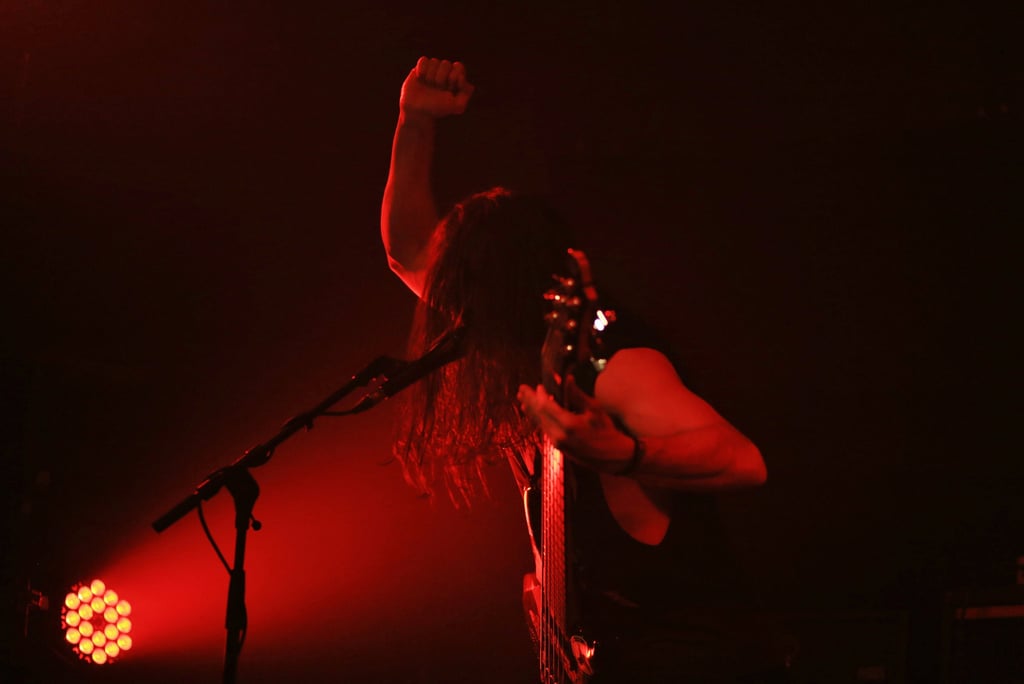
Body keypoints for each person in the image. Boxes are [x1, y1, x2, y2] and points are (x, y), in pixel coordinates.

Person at [381, 56, 792, 682]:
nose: (447, 309)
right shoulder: (512, 347)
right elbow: (405, 251)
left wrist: (625, 452)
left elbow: (744, 460)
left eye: (459, 290)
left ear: (494, 294)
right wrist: (413, 120)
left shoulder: (615, 363)